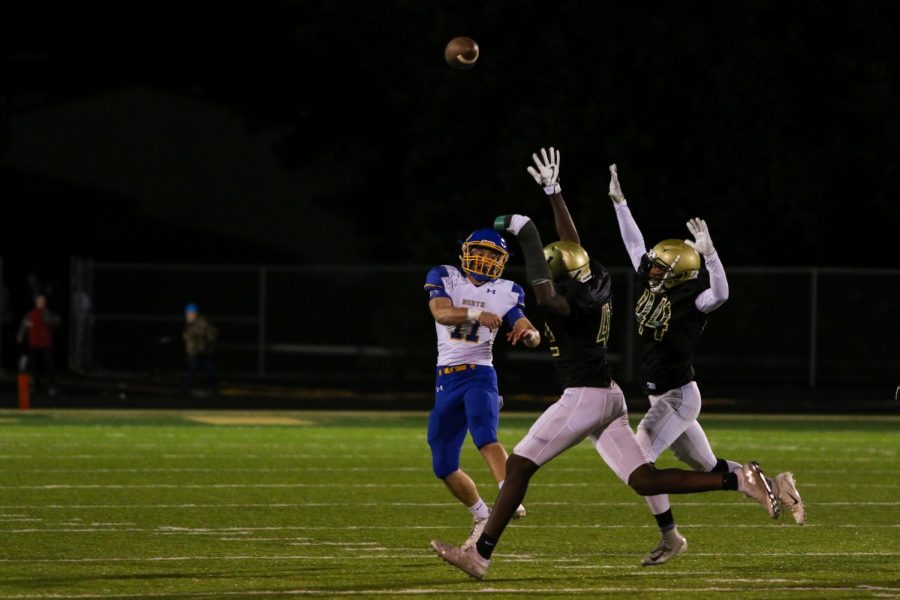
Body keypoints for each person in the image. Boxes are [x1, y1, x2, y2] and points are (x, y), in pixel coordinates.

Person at [431, 147, 789, 580]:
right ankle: (738, 480)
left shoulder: (569, 302)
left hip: (584, 396)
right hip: (608, 396)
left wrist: (528, 233)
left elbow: (546, 294)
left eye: (546, 266)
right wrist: (554, 193)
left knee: (521, 466)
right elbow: (572, 248)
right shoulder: (594, 278)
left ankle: (480, 555)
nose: (539, 270)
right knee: (643, 480)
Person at [607, 164, 806, 562]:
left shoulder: (693, 300)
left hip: (677, 398)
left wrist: (711, 254)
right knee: (710, 465)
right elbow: (635, 247)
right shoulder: (656, 285)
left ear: (679, 274)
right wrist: (620, 204)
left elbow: (721, 293)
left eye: (661, 268)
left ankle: (671, 537)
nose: (652, 271)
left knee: (640, 466)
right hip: (664, 396)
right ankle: (777, 483)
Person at [425, 228, 541, 550]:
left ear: (502, 261)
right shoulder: (445, 275)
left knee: (484, 433)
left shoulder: (508, 290)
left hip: (480, 373)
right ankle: (480, 515)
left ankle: (509, 493)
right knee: (443, 464)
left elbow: (524, 325)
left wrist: (529, 335)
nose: (485, 258)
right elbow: (442, 313)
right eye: (481, 251)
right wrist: (479, 314)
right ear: (465, 251)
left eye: (493, 255)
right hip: (446, 378)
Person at [16, 293, 61, 395]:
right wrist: (20, 335)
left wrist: (51, 318)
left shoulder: (47, 312)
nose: (40, 303)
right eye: (39, 301)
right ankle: (34, 386)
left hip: (46, 343)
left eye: (42, 301)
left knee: (48, 365)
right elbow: (24, 324)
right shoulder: (31, 313)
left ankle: (51, 387)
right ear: (36, 302)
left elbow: (53, 322)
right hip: (34, 343)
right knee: (33, 366)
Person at [183, 303, 219, 395]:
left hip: (204, 353)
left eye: (191, 314)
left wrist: (201, 337)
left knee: (210, 372)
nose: (189, 316)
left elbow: (210, 336)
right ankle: (188, 390)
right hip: (195, 353)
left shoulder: (202, 323)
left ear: (196, 314)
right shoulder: (189, 324)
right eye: (188, 314)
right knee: (192, 371)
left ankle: (214, 390)